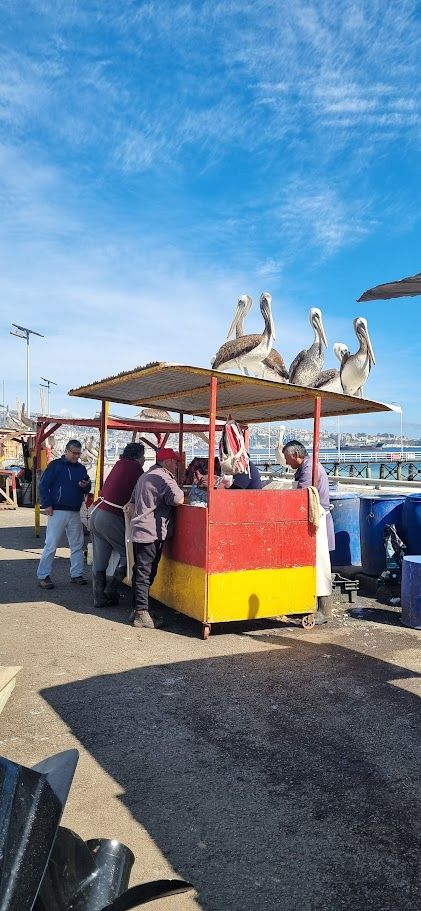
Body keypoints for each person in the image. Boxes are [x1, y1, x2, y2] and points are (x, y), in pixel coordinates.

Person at [129, 447, 184, 629]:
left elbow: (133, 500)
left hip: (139, 529)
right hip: (151, 531)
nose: (176, 465)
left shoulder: (145, 476)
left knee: (141, 572)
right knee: (146, 573)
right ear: (167, 461)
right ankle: (141, 614)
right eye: (175, 461)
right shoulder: (163, 476)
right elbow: (178, 499)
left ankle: (137, 608)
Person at [282, 440, 333, 625]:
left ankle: (323, 611)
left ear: (296, 455)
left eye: (288, 459)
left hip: (317, 519)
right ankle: (308, 605)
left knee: (320, 564)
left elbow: (301, 495)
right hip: (314, 518)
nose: (287, 463)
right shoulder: (305, 467)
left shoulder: (310, 469)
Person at [90, 442, 145, 608]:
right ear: (137, 457)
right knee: (129, 555)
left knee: (100, 558)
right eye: (143, 456)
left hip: (97, 513)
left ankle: (98, 597)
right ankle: (111, 590)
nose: (144, 459)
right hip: (111, 516)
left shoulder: (119, 464)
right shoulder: (136, 469)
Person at [37, 439, 91, 589]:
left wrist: (86, 486)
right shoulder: (55, 466)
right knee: (51, 544)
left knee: (77, 545)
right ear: (66, 451)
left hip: (74, 510)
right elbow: (43, 485)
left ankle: (76, 574)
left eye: (78, 454)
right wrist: (47, 504)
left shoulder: (81, 468)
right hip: (57, 510)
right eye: (74, 453)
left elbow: (87, 488)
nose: (76, 456)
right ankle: (43, 575)